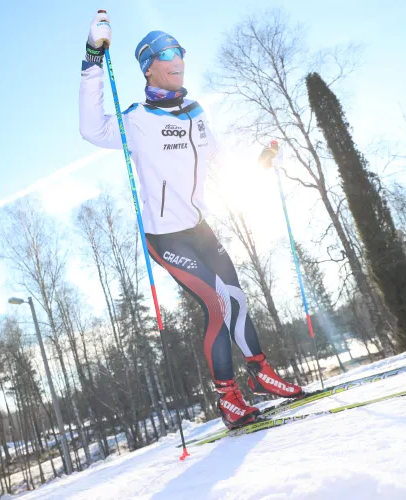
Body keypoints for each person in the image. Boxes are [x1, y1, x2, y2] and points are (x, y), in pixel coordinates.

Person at [79, 10, 303, 430]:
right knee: (216, 303)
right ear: (148, 67)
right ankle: (228, 399)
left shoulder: (196, 113)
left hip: (200, 227)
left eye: (179, 50)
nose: (177, 57)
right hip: (165, 237)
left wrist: (259, 162)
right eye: (166, 52)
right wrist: (93, 56)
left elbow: (219, 157)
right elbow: (91, 129)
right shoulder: (138, 120)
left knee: (236, 297)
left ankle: (262, 373)